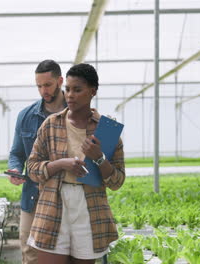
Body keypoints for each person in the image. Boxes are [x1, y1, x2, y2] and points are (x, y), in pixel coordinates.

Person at [26, 63, 125, 264]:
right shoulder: (51, 125)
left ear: (92, 92)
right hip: (53, 204)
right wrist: (60, 163)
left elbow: (117, 181)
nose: (70, 95)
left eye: (77, 90)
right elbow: (32, 169)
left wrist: (99, 158)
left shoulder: (106, 130)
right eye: (68, 89)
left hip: (89, 208)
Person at [7, 59, 67, 264]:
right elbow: (16, 153)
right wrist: (15, 168)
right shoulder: (26, 116)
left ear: (60, 81)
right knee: (30, 250)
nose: (43, 91)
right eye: (39, 86)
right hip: (33, 195)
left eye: (48, 85)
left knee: (64, 251)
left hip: (66, 196)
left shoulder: (78, 113)